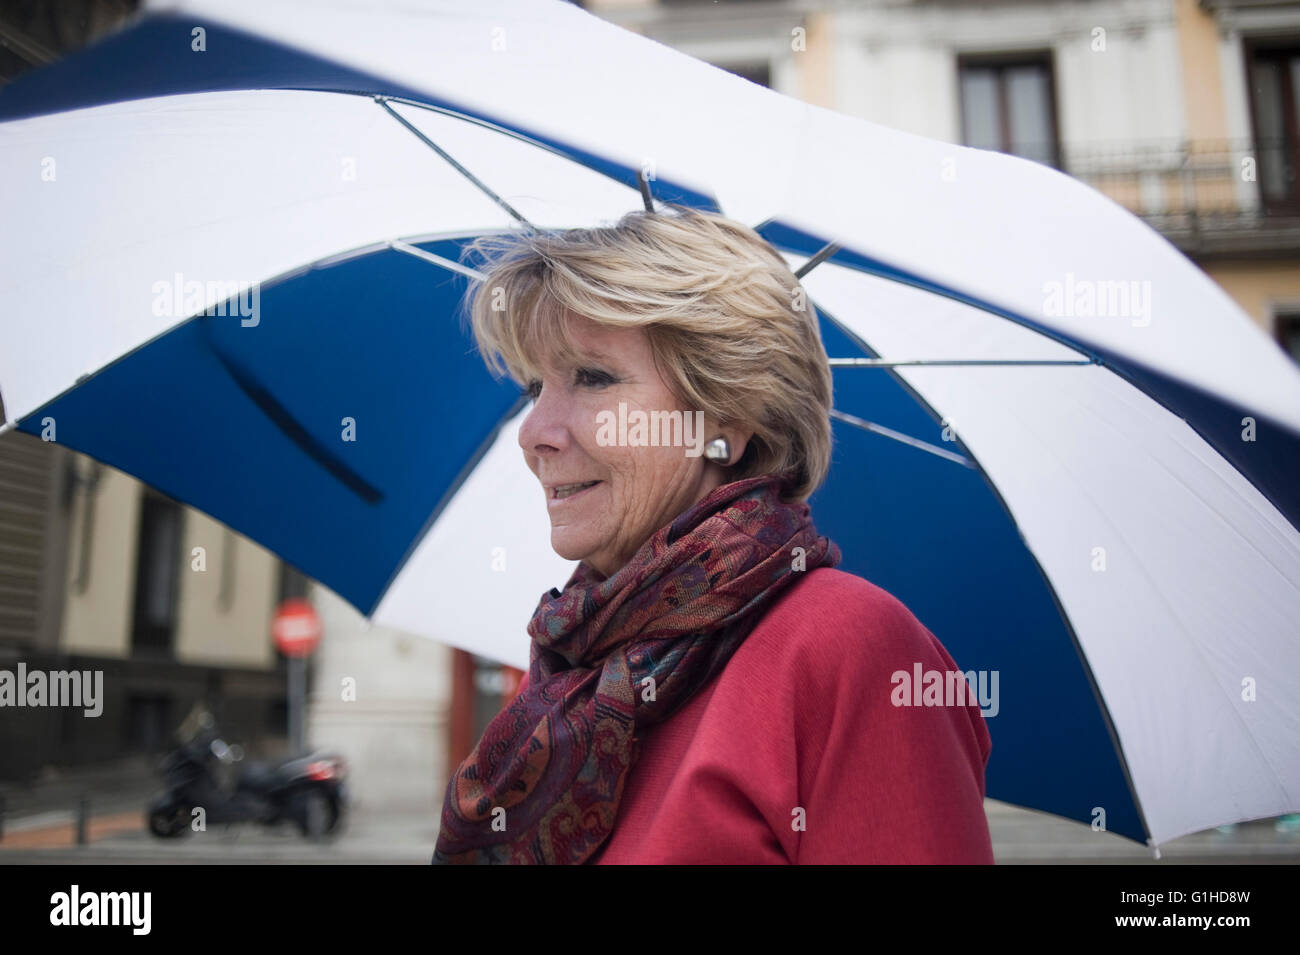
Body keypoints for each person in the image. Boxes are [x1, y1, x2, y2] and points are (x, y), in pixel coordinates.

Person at [432, 204, 993, 864]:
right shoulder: (568, 662)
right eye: (535, 385)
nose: (534, 433)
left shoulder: (852, 648)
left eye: (592, 377)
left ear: (726, 417)